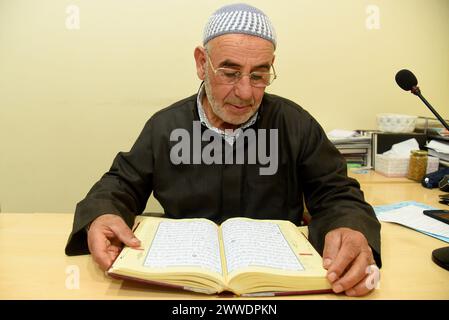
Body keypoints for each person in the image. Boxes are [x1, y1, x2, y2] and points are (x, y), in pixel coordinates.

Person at [65, 3, 381, 297]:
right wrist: (102, 214)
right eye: (230, 73)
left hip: (277, 287)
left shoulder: (294, 124)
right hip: (179, 286)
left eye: (259, 75)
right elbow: (119, 185)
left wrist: (349, 227)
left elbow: (338, 194)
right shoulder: (166, 126)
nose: (245, 92)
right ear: (202, 63)